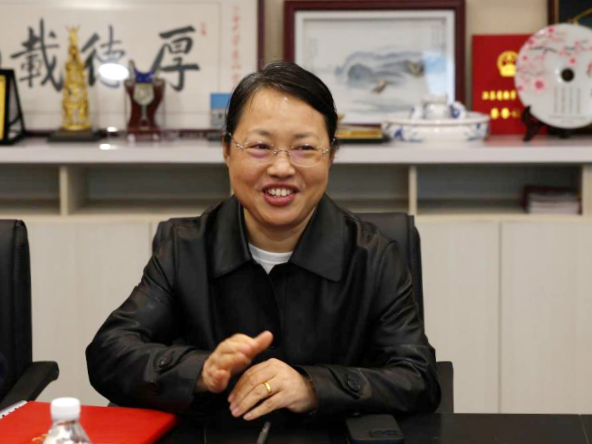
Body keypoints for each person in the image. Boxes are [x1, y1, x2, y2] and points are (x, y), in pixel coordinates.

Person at [86, 61, 441, 420]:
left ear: (331, 156)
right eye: (260, 146)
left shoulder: (374, 256)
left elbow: (418, 378)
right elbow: (109, 353)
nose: (281, 168)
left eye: (304, 148)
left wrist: (313, 386)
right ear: (227, 150)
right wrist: (201, 370)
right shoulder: (185, 248)